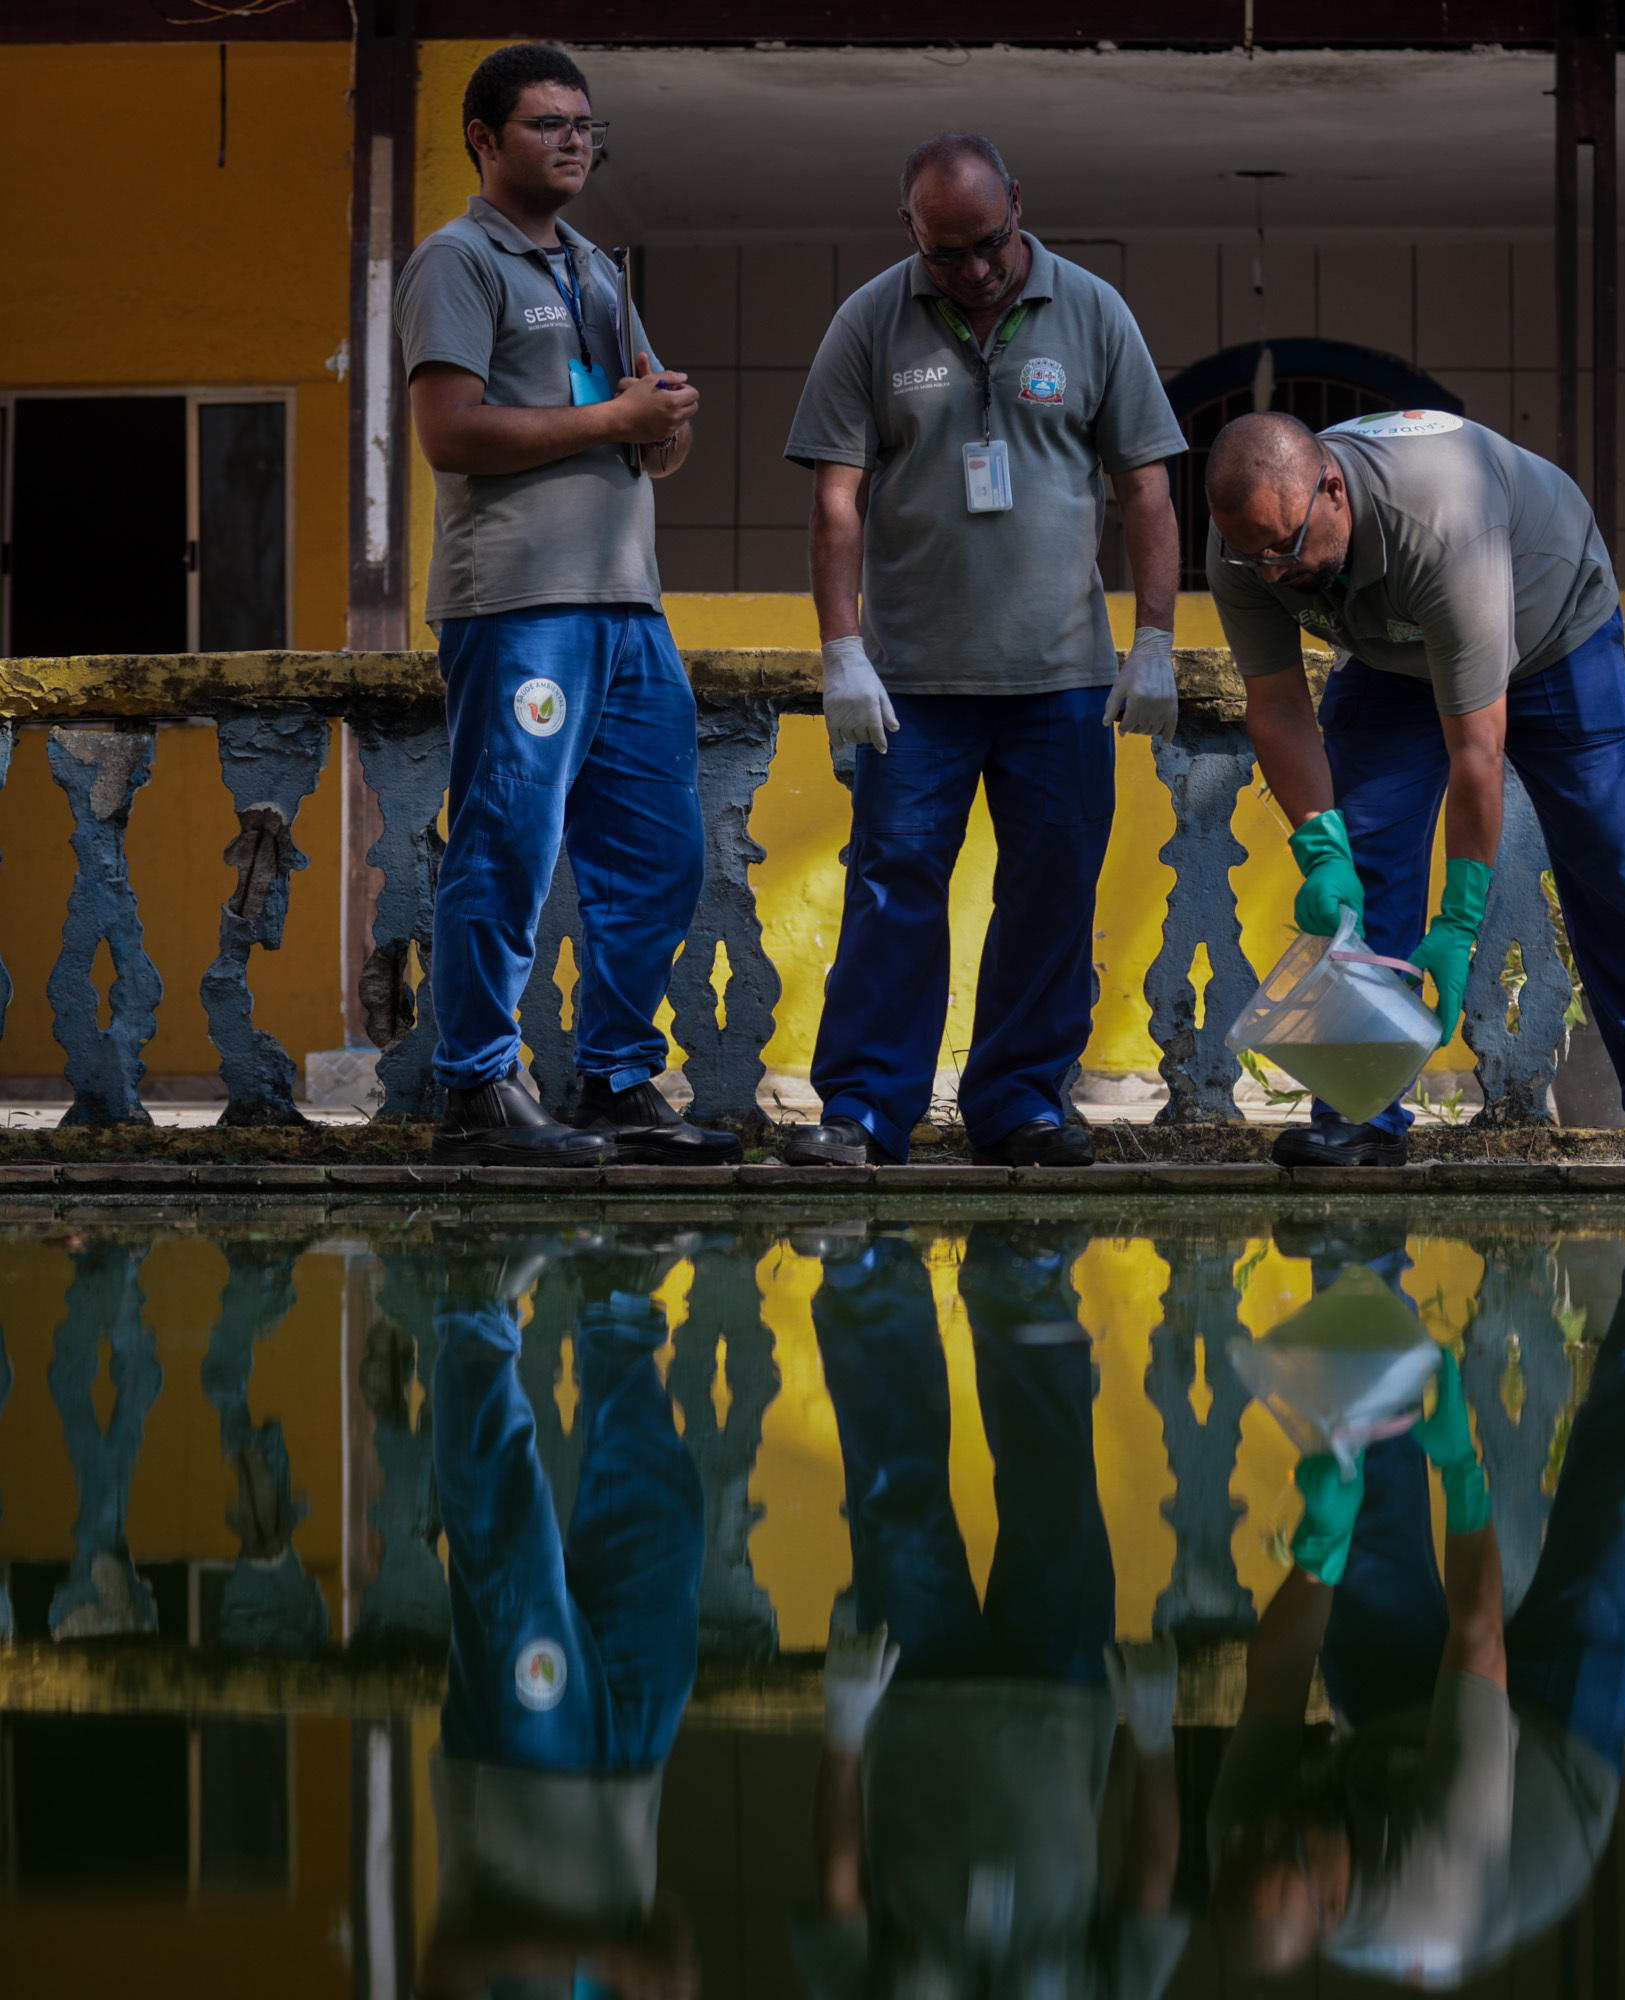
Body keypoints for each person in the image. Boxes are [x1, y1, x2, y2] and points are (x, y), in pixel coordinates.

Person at [773, 134, 1188, 1170]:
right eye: (946, 253)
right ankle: (867, 1107)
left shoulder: (1093, 311)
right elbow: (835, 498)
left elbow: (1147, 486)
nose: (974, 269)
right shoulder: (868, 319)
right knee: (892, 886)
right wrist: (840, 653)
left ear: (1018, 201)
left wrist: (1154, 642)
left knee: (1051, 890)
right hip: (912, 681)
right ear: (911, 232)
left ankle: (1017, 1104)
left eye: (990, 242)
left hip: (1062, 678)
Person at [1202, 408, 1625, 1169]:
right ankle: (1359, 1111)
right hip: (1394, 653)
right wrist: (1321, 846)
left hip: (1552, 628)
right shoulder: (1246, 549)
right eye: (1256, 559)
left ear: (1333, 490)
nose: (1275, 573)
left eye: (1286, 547)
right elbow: (1278, 706)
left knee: (1610, 859)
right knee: (1368, 859)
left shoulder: (1442, 519)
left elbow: (1475, 750)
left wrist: (1458, 920)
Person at [1204, 1227, 1625, 1984]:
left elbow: (1278, 1674)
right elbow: (1478, 1643)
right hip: (1552, 1763)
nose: (1277, 1818)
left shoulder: (1247, 1842)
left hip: (1389, 1735)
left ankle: (1361, 1261)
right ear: (1334, 1898)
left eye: (1262, 1826)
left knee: (1364, 1491)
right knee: (1613, 1512)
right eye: (1292, 1838)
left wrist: (1320, 1548)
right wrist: (1462, 1471)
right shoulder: (1434, 1887)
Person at [399, 42, 739, 1169]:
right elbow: (449, 431)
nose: (575, 141)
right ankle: (478, 1090)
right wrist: (613, 422)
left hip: (629, 608)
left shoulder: (598, 266)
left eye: (587, 126)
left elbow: (646, 433)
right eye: (548, 124)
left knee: (660, 851)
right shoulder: (457, 260)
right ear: (484, 141)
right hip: (521, 606)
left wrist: (667, 416)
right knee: (504, 842)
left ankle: (617, 1078)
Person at [793, 1222, 1192, 2000]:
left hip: (909, 1706)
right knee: (1055, 1490)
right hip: (1064, 1703)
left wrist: (842, 1732)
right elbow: (1150, 1888)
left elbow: (838, 1892)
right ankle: (1025, 1280)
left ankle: (868, 1280)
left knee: (894, 1499)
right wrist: (1154, 1740)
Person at [419, 1232, 708, 2000]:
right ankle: (616, 1304)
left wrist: (615, 1965)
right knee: (663, 1532)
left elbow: (449, 1962)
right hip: (632, 1779)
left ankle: (475, 1301)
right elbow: (672, 1928)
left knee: (509, 1553)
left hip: (521, 1778)